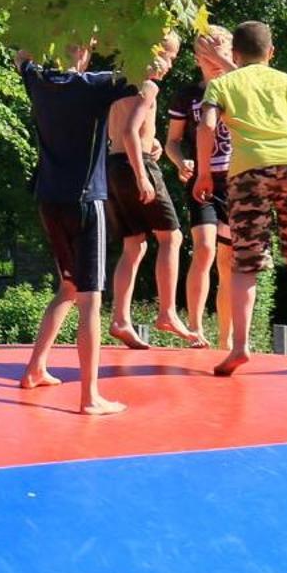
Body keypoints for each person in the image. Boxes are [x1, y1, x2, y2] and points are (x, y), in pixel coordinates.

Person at [196, 20, 287, 374]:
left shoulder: (224, 83)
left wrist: (204, 172)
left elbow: (208, 125)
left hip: (248, 172)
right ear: (271, 52)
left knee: (246, 261)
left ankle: (239, 346)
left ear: (236, 54)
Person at [17, 43, 137, 415]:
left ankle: (35, 368)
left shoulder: (37, 80)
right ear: (84, 52)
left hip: (48, 199)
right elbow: (141, 76)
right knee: (90, 299)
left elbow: (22, 58)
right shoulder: (96, 85)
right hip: (86, 200)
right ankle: (90, 396)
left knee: (68, 286)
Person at [105, 36, 206, 350]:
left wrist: (153, 144)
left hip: (113, 165)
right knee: (171, 237)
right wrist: (142, 174)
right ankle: (167, 313)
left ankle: (121, 318)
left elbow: (120, 132)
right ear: (150, 52)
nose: (171, 63)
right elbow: (129, 132)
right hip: (137, 167)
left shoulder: (115, 82)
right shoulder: (148, 86)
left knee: (134, 244)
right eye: (168, 55)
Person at [167, 25, 236, 349]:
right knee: (205, 248)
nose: (215, 63)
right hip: (204, 182)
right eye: (207, 57)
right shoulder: (188, 95)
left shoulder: (240, 91)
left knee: (229, 260)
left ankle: (227, 336)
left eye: (220, 56)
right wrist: (181, 162)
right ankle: (195, 328)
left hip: (236, 181)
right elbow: (173, 142)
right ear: (197, 59)